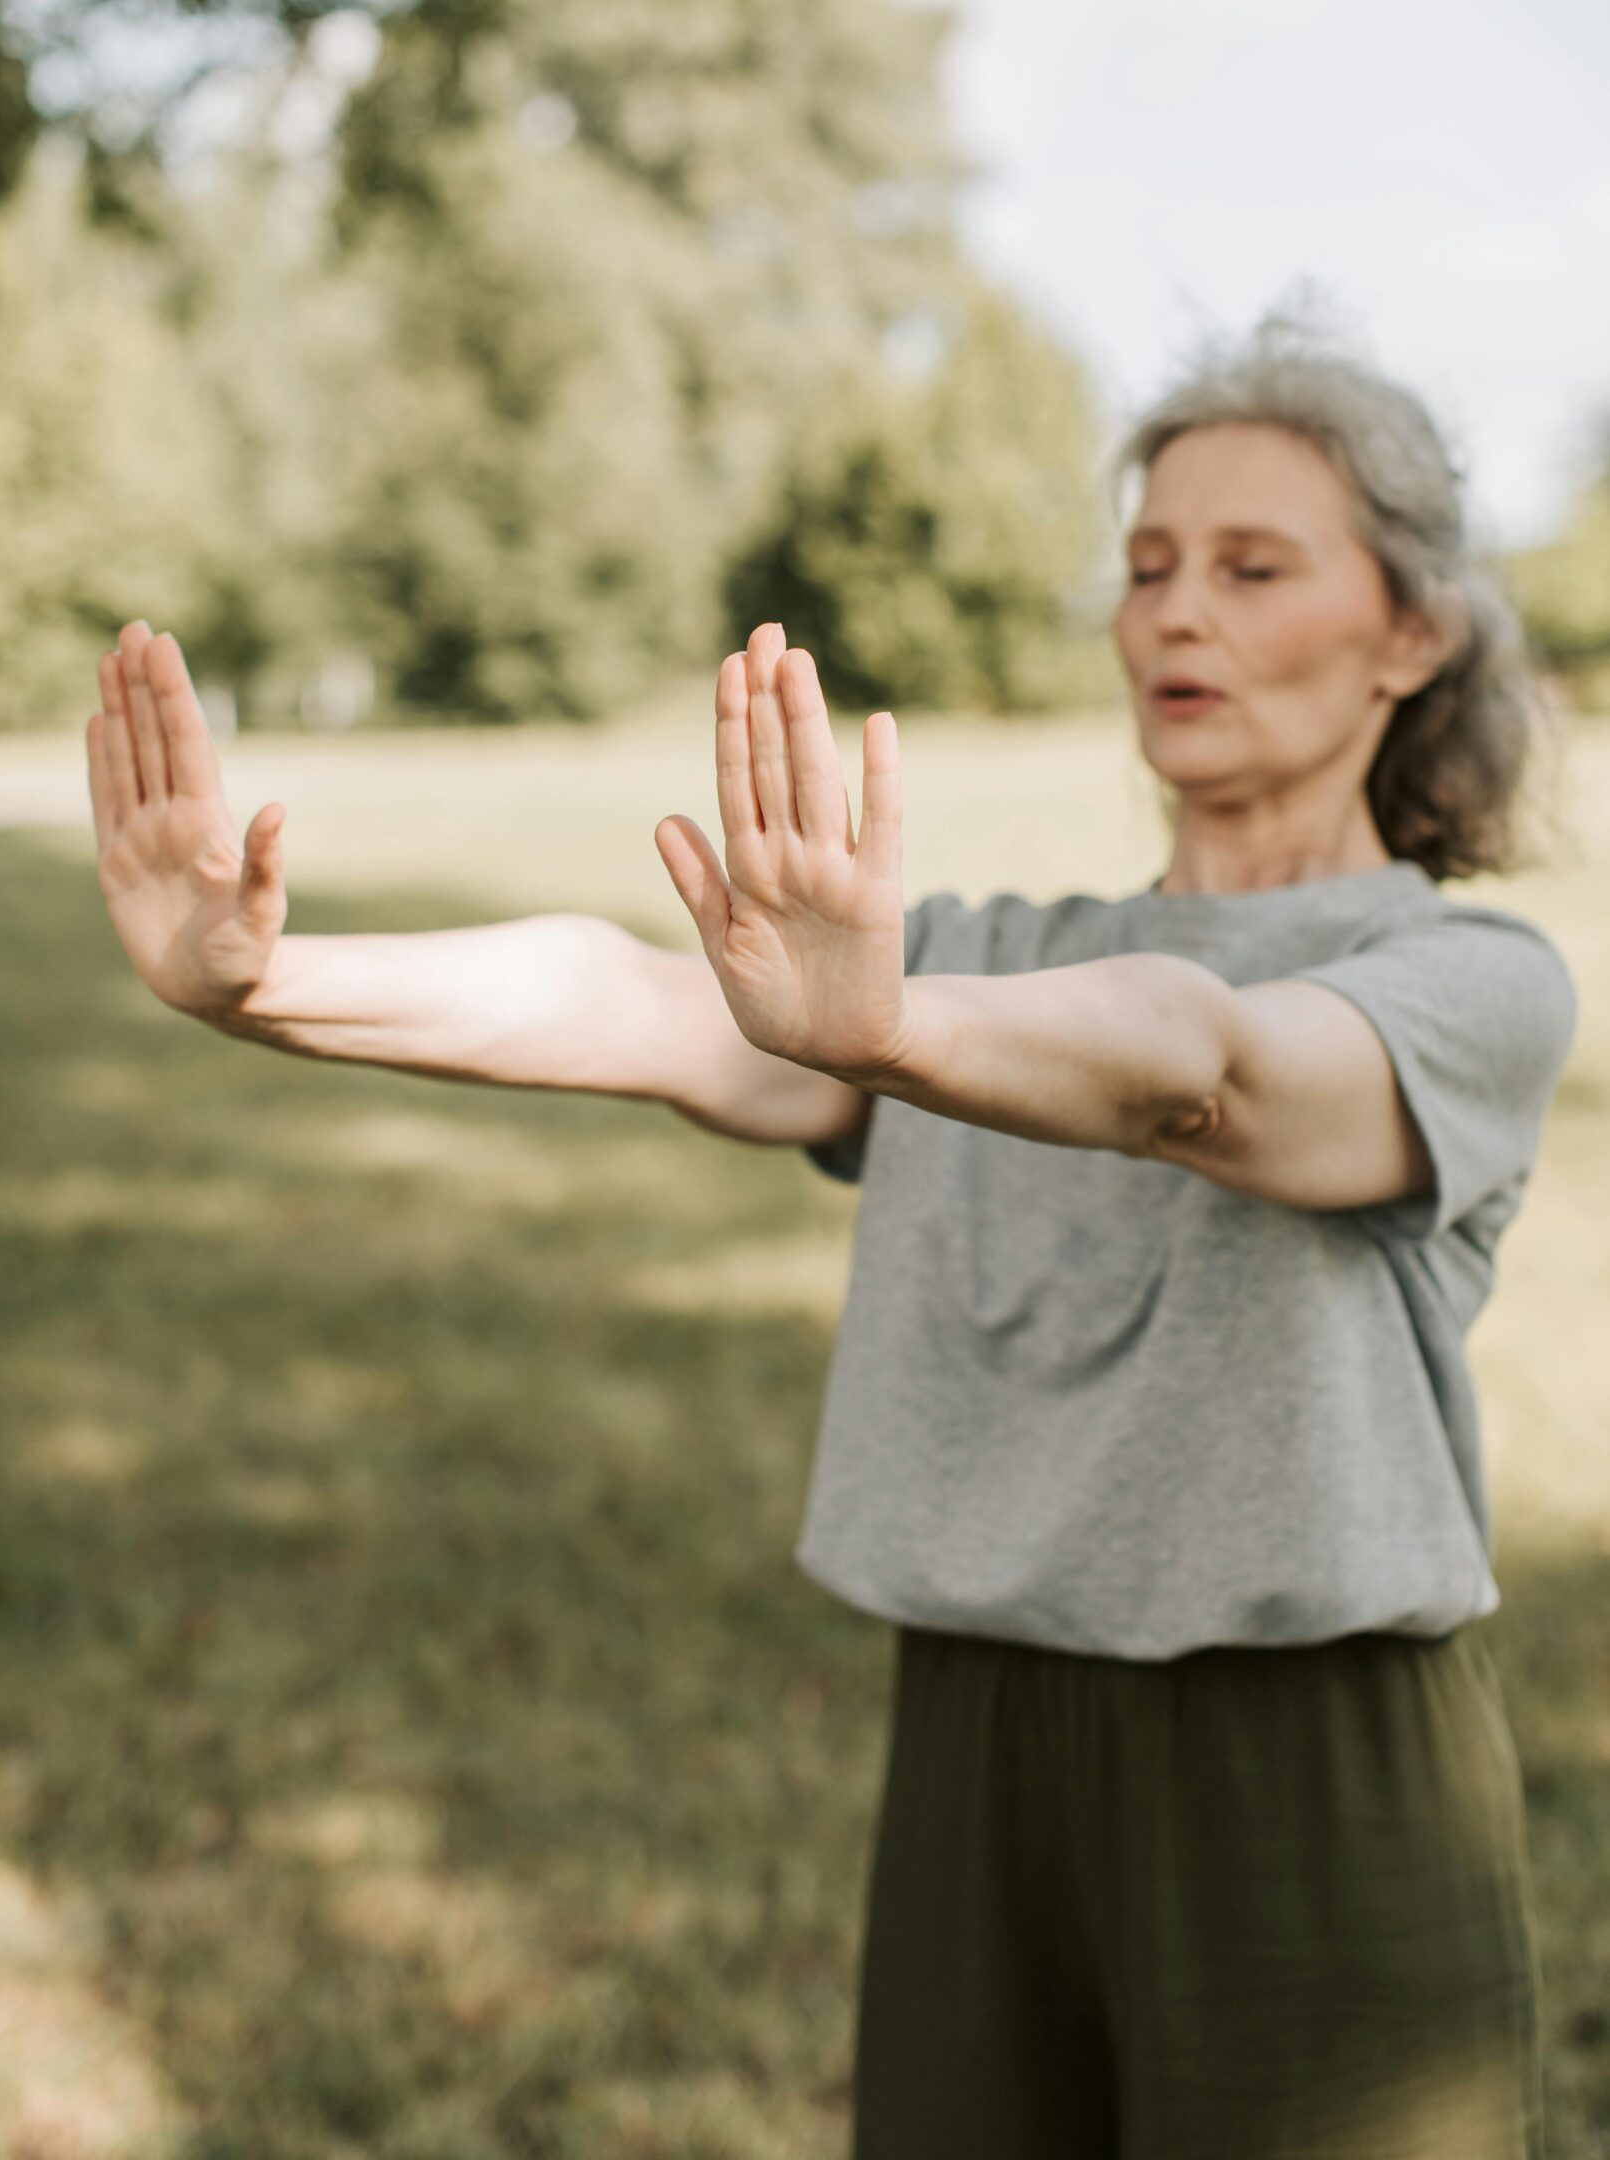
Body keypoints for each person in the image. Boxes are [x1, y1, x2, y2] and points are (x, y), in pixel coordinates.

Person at [87, 314, 1578, 2160]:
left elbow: (1206, 1070)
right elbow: (634, 1004)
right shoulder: (964, 962)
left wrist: (888, 1031)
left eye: (1253, 568)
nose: (1176, 615)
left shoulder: (1466, 977)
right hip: (979, 1732)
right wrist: (264, 983)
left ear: (1411, 636)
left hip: (1314, 1759)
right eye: (1146, 567)